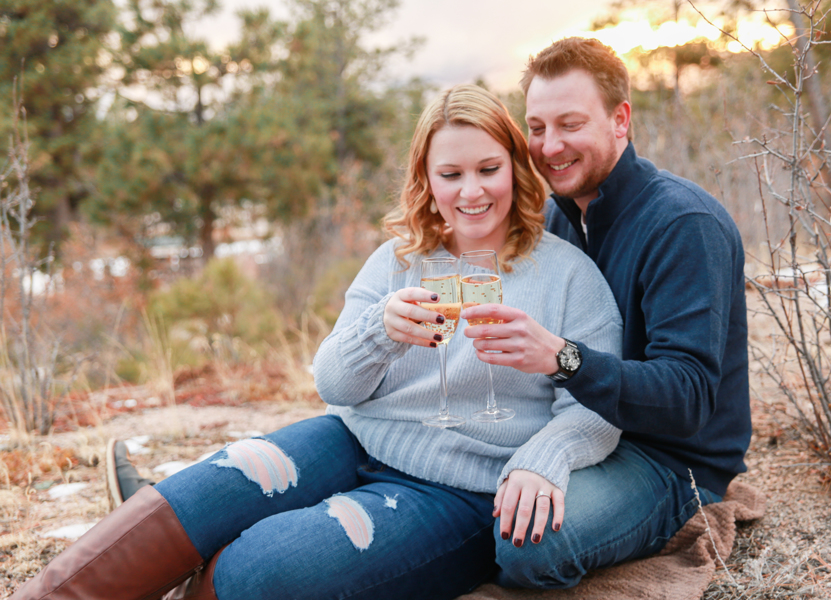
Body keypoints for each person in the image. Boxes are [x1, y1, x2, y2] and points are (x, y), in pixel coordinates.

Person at [12, 84, 624, 600]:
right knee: (207, 490)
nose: (472, 191)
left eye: (488, 169)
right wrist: (379, 332)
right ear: (426, 180)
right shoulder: (398, 262)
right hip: (354, 436)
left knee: (267, 566)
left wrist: (546, 460)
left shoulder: (567, 274)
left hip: (462, 489)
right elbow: (332, 382)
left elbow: (596, 407)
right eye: (451, 173)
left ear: (515, 168)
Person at [461, 37, 751, 589]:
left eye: (570, 124)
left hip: (667, 461)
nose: (549, 146)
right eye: (538, 127)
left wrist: (562, 358)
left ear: (621, 120)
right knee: (456, 488)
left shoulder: (683, 224)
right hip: (574, 426)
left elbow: (687, 396)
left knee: (526, 542)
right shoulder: (553, 217)